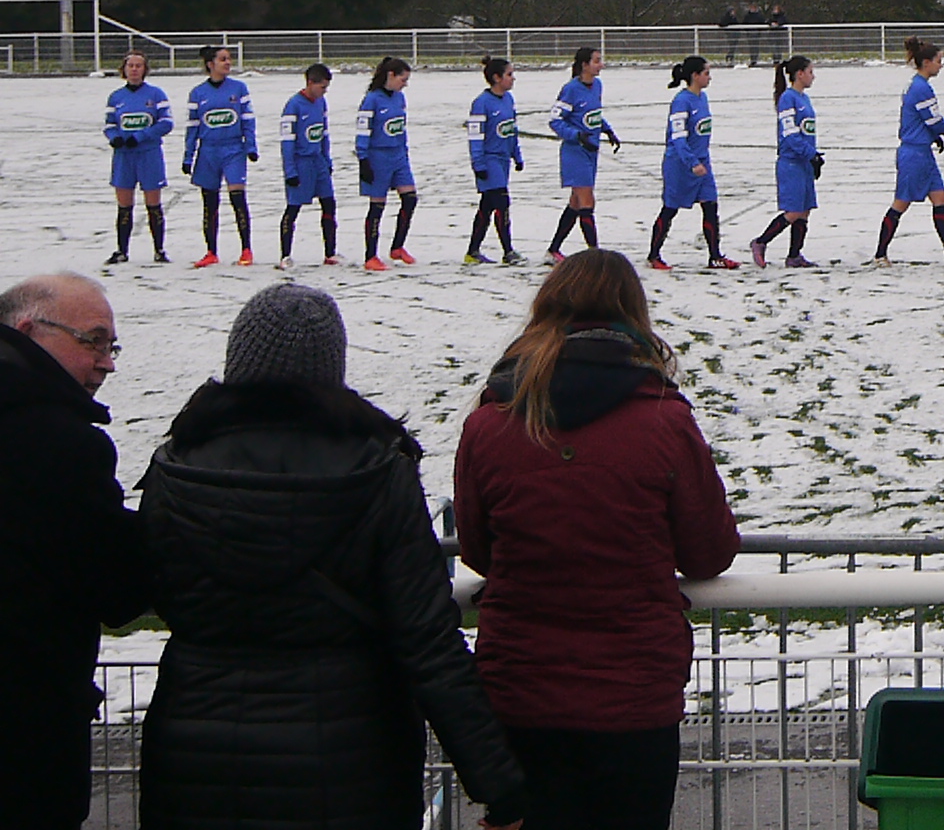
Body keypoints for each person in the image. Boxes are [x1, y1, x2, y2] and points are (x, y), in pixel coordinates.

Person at [138, 283, 527, 830]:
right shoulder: (375, 468)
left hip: (195, 752)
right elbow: (427, 639)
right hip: (350, 759)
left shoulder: (174, 465)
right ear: (331, 369)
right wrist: (497, 784)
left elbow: (139, 586)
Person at [456, 251, 741, 830]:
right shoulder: (663, 418)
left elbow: (479, 550)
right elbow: (709, 551)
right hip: (632, 697)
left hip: (519, 691)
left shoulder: (491, 422)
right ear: (631, 318)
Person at [0, 275, 147, 830]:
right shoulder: (61, 444)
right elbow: (121, 591)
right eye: (92, 340)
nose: (106, 362)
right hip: (25, 741)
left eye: (111, 345)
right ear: (29, 330)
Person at [872, 38, 944, 265]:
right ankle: (880, 253)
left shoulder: (918, 85)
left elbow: (923, 123)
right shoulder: (922, 88)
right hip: (914, 154)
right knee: (901, 203)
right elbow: (934, 121)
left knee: (940, 198)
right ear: (927, 62)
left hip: (923, 153)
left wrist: (934, 137)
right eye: (939, 61)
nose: (941, 65)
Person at [652, 55, 736, 270]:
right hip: (680, 164)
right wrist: (691, 162)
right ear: (694, 76)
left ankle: (715, 255)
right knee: (670, 209)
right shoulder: (681, 102)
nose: (710, 77)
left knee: (711, 206)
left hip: (702, 162)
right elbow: (678, 138)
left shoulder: (703, 98)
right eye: (706, 73)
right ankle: (654, 254)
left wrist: (701, 161)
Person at [184, 45, 259, 267]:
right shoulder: (198, 93)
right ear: (210, 64)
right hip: (208, 151)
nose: (228, 63)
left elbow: (248, 120)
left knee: (237, 197)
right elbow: (192, 127)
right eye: (223, 59)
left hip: (233, 148)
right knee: (209, 202)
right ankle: (211, 251)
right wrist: (188, 156)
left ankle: (246, 249)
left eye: (229, 59)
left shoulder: (239, 88)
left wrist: (251, 146)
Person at [548, 44, 623, 261]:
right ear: (585, 65)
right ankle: (595, 253)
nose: (601, 65)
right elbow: (555, 121)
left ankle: (553, 249)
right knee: (587, 201)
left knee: (576, 202)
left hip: (592, 152)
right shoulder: (570, 89)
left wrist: (607, 130)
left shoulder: (597, 85)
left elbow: (593, 115)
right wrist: (576, 136)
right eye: (597, 61)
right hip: (575, 153)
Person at [750, 55, 822, 268]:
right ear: (799, 74)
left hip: (804, 161)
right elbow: (790, 134)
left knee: (805, 209)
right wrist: (810, 153)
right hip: (791, 162)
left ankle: (794, 255)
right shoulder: (788, 99)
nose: (813, 76)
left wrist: (813, 156)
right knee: (793, 211)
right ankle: (760, 242)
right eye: (810, 72)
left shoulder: (804, 98)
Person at [103, 50, 173, 264]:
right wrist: (114, 137)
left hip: (149, 154)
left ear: (145, 69)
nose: (134, 69)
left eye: (138, 65)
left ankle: (159, 250)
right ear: (124, 69)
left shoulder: (156, 95)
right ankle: (122, 250)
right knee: (124, 204)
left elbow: (166, 123)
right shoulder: (116, 97)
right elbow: (109, 124)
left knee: (153, 203)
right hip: (124, 157)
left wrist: (141, 136)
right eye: (130, 65)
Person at [356, 55, 419, 271]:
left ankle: (397, 247)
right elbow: (363, 131)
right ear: (390, 76)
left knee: (410, 198)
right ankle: (370, 255)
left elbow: (401, 129)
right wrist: (363, 159)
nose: (405, 85)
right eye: (403, 80)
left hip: (399, 156)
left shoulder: (400, 99)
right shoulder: (372, 99)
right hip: (377, 157)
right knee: (377, 206)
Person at [467, 55, 527, 266]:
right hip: (489, 161)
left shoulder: (508, 100)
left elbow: (511, 131)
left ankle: (472, 251)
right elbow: (475, 137)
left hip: (503, 161)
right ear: (496, 78)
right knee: (502, 203)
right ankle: (508, 251)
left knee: (487, 207)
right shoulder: (481, 103)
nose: (513, 79)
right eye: (509, 74)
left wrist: (516, 156)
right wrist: (479, 164)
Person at [278, 62, 338, 267]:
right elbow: (287, 141)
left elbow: (324, 134)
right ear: (310, 83)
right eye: (322, 87)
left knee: (329, 204)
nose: (324, 92)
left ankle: (330, 253)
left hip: (318, 162)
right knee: (293, 208)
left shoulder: (321, 103)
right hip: (300, 162)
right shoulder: (293, 105)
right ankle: (285, 254)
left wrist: (327, 160)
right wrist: (290, 171)